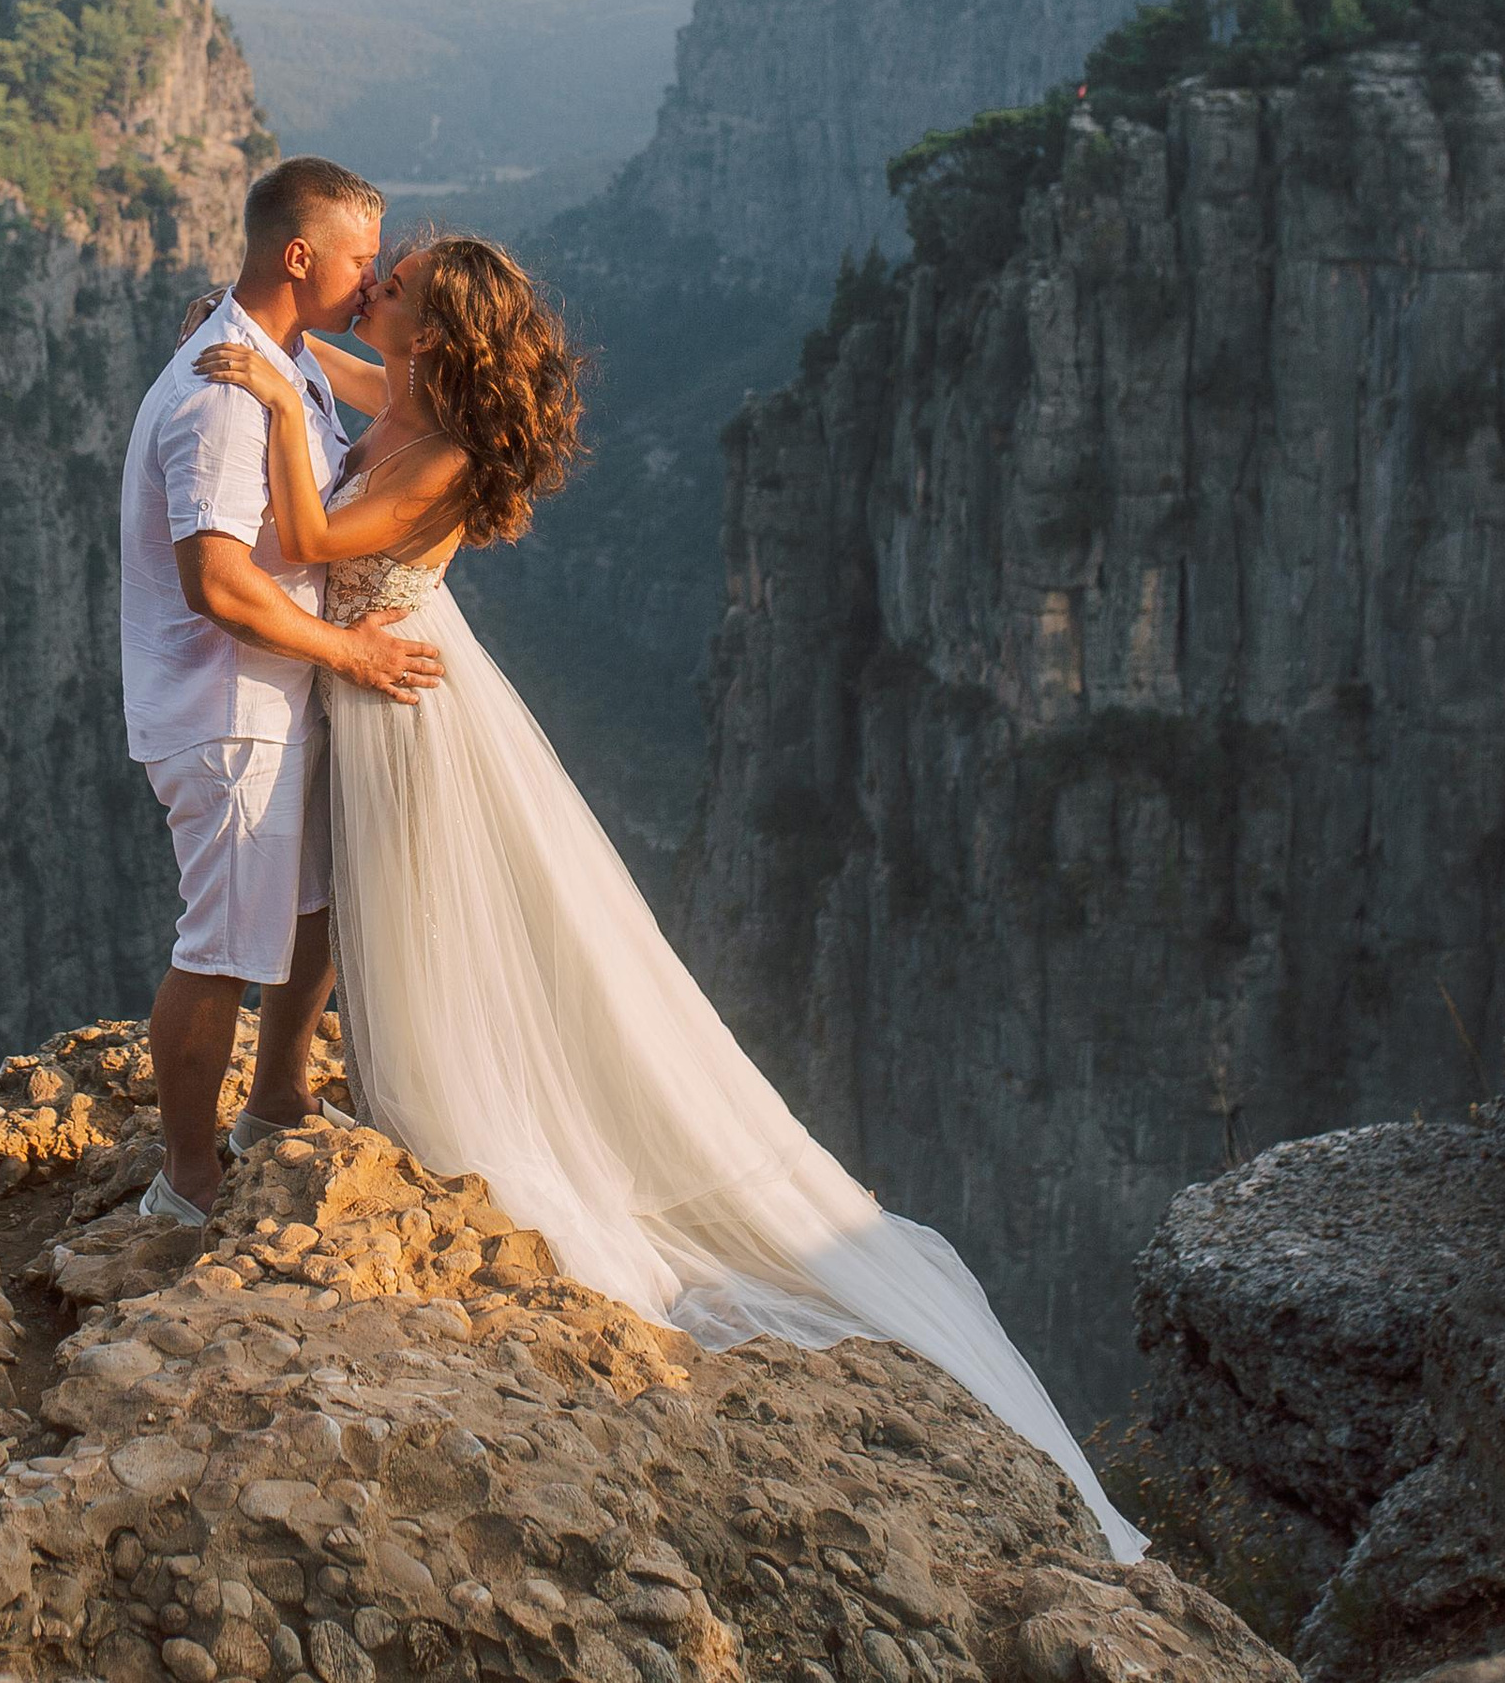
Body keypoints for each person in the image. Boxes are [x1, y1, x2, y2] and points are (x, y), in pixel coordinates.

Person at [195, 231, 1148, 1563]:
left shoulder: (447, 454)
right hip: (374, 689)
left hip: (407, 706)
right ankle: (346, 1084)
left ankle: (438, 1114)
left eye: (394, 285)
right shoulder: (405, 400)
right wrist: (277, 346)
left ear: (436, 328)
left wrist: (256, 386)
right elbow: (349, 383)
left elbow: (304, 533)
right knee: (374, 909)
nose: (377, 285)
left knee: (406, 908)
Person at [116, 156, 445, 1228]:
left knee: (312, 909)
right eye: (361, 260)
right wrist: (350, 654)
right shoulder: (224, 397)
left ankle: (275, 1102)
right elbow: (217, 583)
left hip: (276, 697)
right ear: (299, 256)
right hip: (228, 714)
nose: (373, 280)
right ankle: (187, 1182)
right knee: (219, 950)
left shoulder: (283, 361)